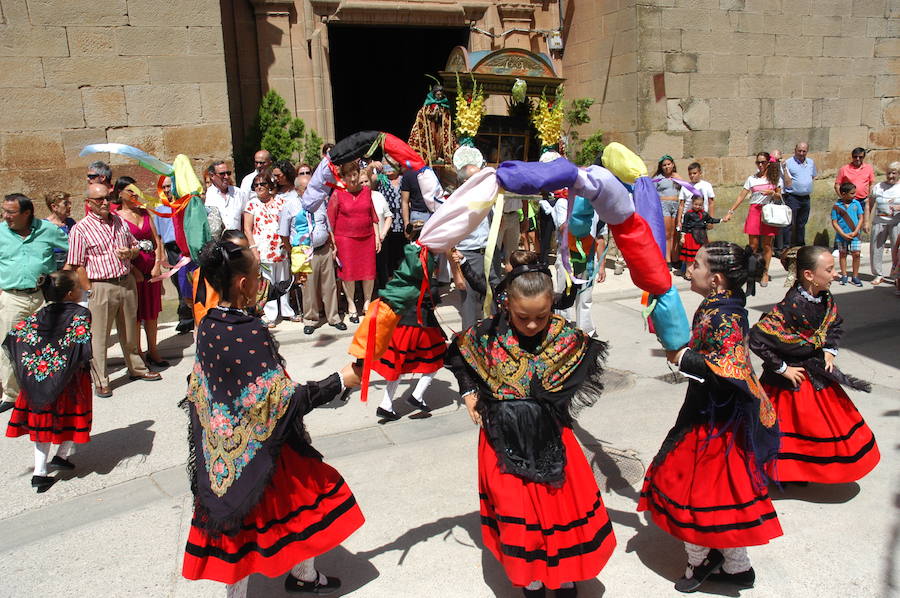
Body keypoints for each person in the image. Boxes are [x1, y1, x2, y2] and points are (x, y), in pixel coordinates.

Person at [181, 238, 365, 598]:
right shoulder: (247, 331)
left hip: (229, 446)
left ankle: (304, 576)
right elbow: (281, 401)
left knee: (300, 505)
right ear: (243, 284)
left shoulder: (210, 324)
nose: (262, 281)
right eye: (257, 275)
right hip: (253, 451)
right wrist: (341, 380)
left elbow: (203, 388)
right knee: (248, 527)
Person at [445, 261, 615, 597]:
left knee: (558, 509)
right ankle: (532, 578)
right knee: (515, 512)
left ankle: (564, 575)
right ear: (507, 304)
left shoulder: (566, 338)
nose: (533, 324)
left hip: (550, 437)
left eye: (542, 315)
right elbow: (458, 354)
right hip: (500, 441)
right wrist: (469, 393)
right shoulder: (486, 334)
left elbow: (580, 368)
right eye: (524, 317)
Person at [638, 242, 780, 593]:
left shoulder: (725, 315)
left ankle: (701, 561)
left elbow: (728, 368)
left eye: (697, 264)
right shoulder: (719, 306)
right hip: (711, 410)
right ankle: (736, 565)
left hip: (717, 422)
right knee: (719, 495)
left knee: (695, 493)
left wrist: (682, 357)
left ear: (715, 279)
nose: (689, 269)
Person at [750, 245, 880, 484]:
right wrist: (782, 368)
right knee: (788, 430)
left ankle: (804, 472)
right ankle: (781, 475)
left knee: (818, 428)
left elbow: (834, 324)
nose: (836, 274)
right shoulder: (790, 305)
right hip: (790, 381)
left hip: (817, 372)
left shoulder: (825, 297)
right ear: (809, 275)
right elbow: (758, 338)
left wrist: (829, 350)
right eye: (829, 270)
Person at [66, 183, 161, 398]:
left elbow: (136, 245)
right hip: (100, 285)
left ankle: (137, 368)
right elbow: (76, 264)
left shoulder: (119, 221)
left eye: (107, 198)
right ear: (88, 203)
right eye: (99, 200)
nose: (104, 203)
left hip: (125, 281)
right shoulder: (80, 229)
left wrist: (131, 252)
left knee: (129, 330)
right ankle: (101, 380)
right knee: (99, 336)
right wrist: (89, 289)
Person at [4, 271, 92, 493]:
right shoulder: (81, 313)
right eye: (80, 287)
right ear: (71, 293)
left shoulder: (39, 314)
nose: (83, 288)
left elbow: (16, 335)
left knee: (44, 421)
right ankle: (48, 466)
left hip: (40, 379)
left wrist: (37, 361)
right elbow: (82, 344)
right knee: (72, 417)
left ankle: (50, 464)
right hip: (70, 380)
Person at [0, 193, 70, 414]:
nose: (5, 216)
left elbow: (75, 248)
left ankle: (46, 389)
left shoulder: (47, 230)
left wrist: (64, 273)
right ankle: (12, 395)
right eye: (4, 211)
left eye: (10, 212)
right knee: (8, 347)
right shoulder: (1, 232)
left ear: (27, 213)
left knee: (46, 345)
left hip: (43, 297)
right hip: (12, 297)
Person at [373, 221, 446, 421]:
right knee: (437, 358)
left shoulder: (408, 255)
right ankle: (416, 395)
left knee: (398, 364)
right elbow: (431, 294)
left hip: (401, 321)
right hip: (420, 322)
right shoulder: (425, 258)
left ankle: (386, 404)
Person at [115, 182, 168, 367]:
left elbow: (157, 240)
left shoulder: (145, 213)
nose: (134, 194)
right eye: (130, 191)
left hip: (151, 270)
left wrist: (157, 264)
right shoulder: (116, 217)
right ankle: (138, 353)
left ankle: (153, 350)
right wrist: (134, 270)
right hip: (132, 271)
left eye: (136, 190)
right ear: (120, 193)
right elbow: (117, 247)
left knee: (151, 313)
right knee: (135, 315)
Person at [328, 161, 379, 323]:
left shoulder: (366, 191)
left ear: (359, 173)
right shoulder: (338, 193)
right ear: (343, 177)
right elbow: (330, 220)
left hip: (367, 237)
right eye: (349, 175)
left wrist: (377, 237)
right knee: (348, 274)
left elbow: (373, 216)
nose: (352, 178)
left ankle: (366, 303)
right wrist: (333, 243)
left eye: (355, 174)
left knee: (368, 273)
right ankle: (351, 305)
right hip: (345, 239)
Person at [243, 170, 295, 326]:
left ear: (270, 185)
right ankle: (270, 314)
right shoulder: (251, 204)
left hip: (280, 247)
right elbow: (247, 228)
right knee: (268, 282)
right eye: (256, 185)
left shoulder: (281, 201)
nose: (259, 187)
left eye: (262, 184)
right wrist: (253, 250)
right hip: (262, 248)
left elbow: (288, 223)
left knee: (284, 279)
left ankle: (286, 310)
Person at [722, 152, 783, 287]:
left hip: (768, 212)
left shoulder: (774, 178)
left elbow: (779, 196)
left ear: (768, 163)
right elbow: (741, 196)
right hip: (754, 211)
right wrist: (730, 212)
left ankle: (765, 273)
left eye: (763, 162)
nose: (760, 165)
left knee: (767, 245)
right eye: (758, 162)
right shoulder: (752, 179)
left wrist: (772, 193)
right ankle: (751, 271)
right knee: (753, 246)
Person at [155, 177, 195, 334]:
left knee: (189, 279)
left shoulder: (182, 205)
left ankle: (192, 315)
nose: (166, 190)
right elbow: (158, 236)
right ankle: (184, 317)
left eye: (169, 186)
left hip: (184, 246)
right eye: (163, 187)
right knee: (178, 281)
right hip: (171, 248)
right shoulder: (159, 209)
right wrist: (162, 256)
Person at [301, 199, 345, 335]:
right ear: (298, 190)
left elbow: (327, 225)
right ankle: (310, 319)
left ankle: (334, 317)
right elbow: (284, 232)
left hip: (325, 248)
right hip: (306, 251)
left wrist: (333, 245)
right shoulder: (291, 204)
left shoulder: (320, 204)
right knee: (309, 287)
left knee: (329, 285)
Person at [375, 161, 408, 289]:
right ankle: (389, 286)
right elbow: (367, 179)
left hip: (402, 224)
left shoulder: (404, 179)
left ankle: (402, 284)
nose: (388, 167)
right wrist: (372, 166)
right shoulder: (381, 180)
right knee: (388, 259)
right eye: (385, 164)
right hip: (387, 226)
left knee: (402, 256)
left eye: (391, 164)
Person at [866, 161, 899, 285]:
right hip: (879, 222)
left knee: (897, 250)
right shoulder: (878, 186)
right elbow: (869, 204)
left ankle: (897, 275)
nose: (890, 176)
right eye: (888, 173)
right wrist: (866, 222)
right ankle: (878, 274)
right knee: (876, 248)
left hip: (897, 223)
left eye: (894, 173)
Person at [360, 166, 394, 288]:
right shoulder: (355, 199)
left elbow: (389, 216)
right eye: (361, 182)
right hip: (363, 243)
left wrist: (383, 234)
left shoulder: (378, 196)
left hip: (380, 240)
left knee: (382, 272)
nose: (364, 184)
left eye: (366, 181)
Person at [407, 83, 456, 165]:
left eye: (441, 95)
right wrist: (433, 112)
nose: (439, 96)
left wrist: (441, 114)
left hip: (440, 127)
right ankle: (431, 156)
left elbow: (447, 118)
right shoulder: (429, 104)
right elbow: (424, 114)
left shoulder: (444, 105)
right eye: (438, 94)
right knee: (431, 140)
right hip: (430, 127)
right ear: (434, 94)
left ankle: (439, 155)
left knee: (439, 140)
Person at [782, 143, 816, 248]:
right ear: (795, 150)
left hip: (806, 198)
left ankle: (800, 245)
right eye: (799, 151)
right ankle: (786, 246)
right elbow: (785, 180)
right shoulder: (788, 163)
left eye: (804, 151)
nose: (801, 153)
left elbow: (813, 176)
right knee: (789, 223)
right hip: (793, 197)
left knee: (802, 223)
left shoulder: (810, 162)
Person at [679, 195, 721, 279]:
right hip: (691, 237)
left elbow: (711, 220)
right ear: (692, 203)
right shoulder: (688, 214)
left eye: (700, 205)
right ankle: (688, 273)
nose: (697, 206)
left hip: (701, 236)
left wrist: (722, 220)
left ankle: (699, 273)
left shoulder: (704, 214)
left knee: (701, 256)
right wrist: (682, 236)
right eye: (695, 204)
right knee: (690, 258)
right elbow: (684, 226)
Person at [831, 182, 865, 287]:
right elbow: (834, 222)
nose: (854, 195)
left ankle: (855, 276)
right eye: (852, 193)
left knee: (856, 254)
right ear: (843, 194)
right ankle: (844, 275)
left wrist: (856, 231)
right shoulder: (836, 206)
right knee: (843, 254)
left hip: (855, 235)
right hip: (842, 236)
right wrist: (842, 233)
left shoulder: (856, 204)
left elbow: (861, 218)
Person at [835, 148, 875, 229]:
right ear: (852, 157)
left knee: (860, 224)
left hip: (863, 201)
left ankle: (856, 240)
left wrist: (869, 197)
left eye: (860, 157)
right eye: (855, 157)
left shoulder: (868, 168)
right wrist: (843, 198)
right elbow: (837, 185)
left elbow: (871, 183)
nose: (857, 159)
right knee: (848, 223)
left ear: (863, 157)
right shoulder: (844, 169)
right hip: (849, 201)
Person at [205, 161, 249, 231]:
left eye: (228, 173)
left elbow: (246, 218)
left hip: (236, 239)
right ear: (212, 176)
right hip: (216, 241)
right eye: (222, 174)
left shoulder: (239, 193)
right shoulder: (207, 195)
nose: (226, 177)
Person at [654, 155, 681, 265]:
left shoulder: (677, 177)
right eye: (664, 165)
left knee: (675, 233)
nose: (666, 167)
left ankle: (675, 258)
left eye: (668, 164)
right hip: (664, 205)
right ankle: (667, 259)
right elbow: (651, 192)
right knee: (667, 234)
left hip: (676, 205)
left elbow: (687, 190)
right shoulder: (658, 178)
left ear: (673, 164)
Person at [44, 192, 76, 271]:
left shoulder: (71, 223)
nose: (69, 206)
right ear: (54, 207)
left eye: (69, 203)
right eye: (65, 204)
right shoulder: (44, 226)